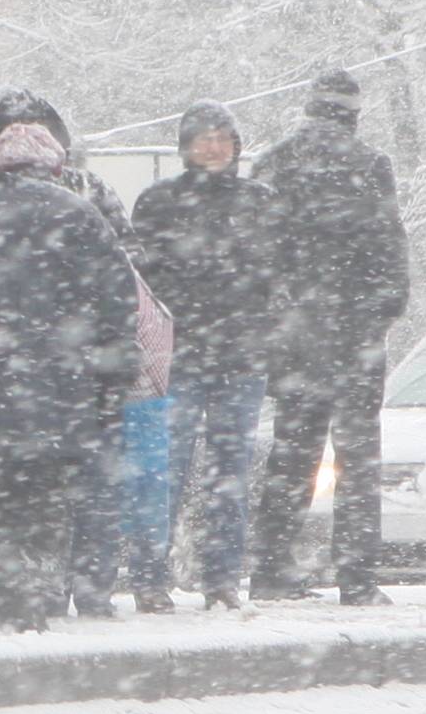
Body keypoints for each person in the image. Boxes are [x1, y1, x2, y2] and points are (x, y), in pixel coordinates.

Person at [0, 123, 136, 631]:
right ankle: (35, 593)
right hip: (63, 388)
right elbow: (118, 302)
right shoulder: (81, 214)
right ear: (54, 165)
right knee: (43, 497)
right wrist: (111, 379)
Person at [0, 87, 144, 619]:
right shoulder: (84, 206)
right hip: (71, 375)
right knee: (66, 486)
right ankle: (57, 589)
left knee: (4, 489)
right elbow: (121, 287)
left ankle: (9, 591)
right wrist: (114, 365)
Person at [251, 70, 411, 606]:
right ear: (353, 115)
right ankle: (357, 576)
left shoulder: (275, 164)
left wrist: (279, 318)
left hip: (298, 336)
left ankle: (272, 566)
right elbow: (389, 247)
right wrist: (381, 314)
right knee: (357, 460)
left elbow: (260, 253)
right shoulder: (370, 165)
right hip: (353, 334)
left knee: (292, 454)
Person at [131, 100, 276, 610]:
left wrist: (266, 326)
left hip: (242, 356)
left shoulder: (260, 201)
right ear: (185, 147)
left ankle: (222, 579)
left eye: (222, 138)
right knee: (164, 470)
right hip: (179, 357)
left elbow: (279, 275)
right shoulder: (159, 202)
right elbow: (144, 280)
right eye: (203, 138)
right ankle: (149, 577)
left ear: (236, 145)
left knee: (230, 473)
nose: (214, 147)